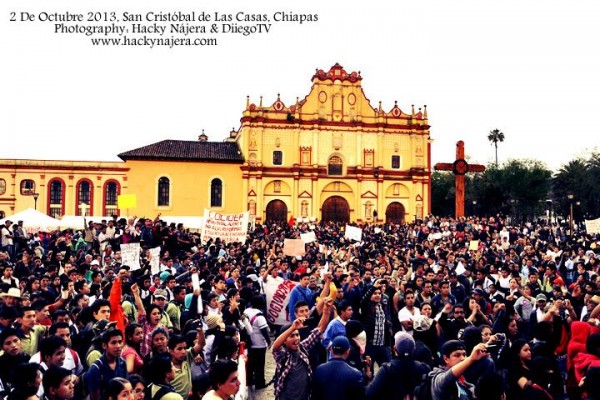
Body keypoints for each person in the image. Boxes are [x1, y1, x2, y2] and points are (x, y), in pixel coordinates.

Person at [272, 297, 333, 400]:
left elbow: (320, 329)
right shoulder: (283, 356)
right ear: (285, 341)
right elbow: (275, 347)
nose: (296, 338)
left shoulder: (303, 348)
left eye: (297, 335)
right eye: (292, 336)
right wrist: (292, 328)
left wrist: (326, 310)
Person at [366, 331, 431, 399]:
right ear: (414, 349)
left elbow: (369, 393)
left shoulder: (386, 370)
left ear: (394, 349)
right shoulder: (424, 368)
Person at [312, 336, 364, 400]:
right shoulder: (356, 375)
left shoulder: (319, 370)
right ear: (348, 351)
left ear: (331, 350)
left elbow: (314, 396)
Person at [86, 328, 129, 400]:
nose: (118, 346)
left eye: (120, 342)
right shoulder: (96, 369)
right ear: (104, 346)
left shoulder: (122, 363)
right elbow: (95, 398)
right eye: (113, 343)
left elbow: (126, 389)